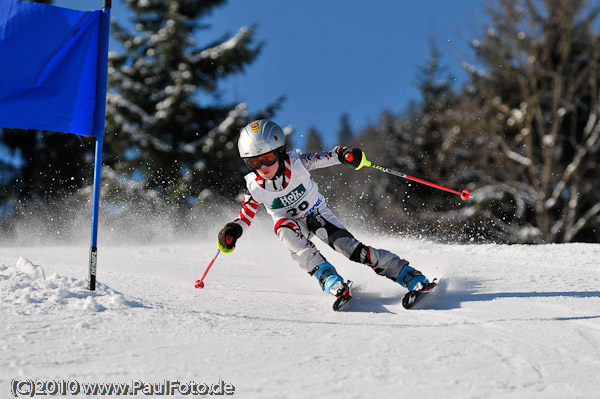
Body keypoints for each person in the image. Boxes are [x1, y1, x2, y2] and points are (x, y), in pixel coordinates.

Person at [217, 119, 429, 305]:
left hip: (316, 214)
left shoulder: (298, 163)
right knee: (284, 230)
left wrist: (346, 154)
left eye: (268, 158)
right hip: (289, 222)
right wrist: (234, 229)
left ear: (280, 152)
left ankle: (406, 274)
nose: (262, 166)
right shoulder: (254, 186)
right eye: (254, 161)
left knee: (352, 250)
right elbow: (245, 215)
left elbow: (329, 155)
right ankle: (330, 279)